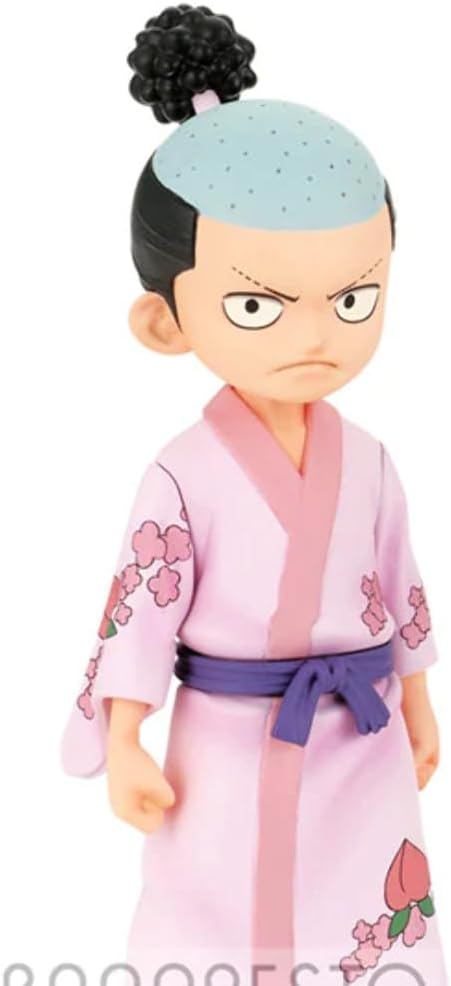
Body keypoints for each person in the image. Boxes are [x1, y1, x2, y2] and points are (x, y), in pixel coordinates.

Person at [62, 6, 448, 983]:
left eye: (353, 299)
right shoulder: (182, 472)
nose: (315, 334)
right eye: (256, 305)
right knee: (217, 898)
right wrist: (125, 735)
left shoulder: (370, 460)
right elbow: (140, 606)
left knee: (367, 898)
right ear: (164, 322)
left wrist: (416, 697)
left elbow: (399, 580)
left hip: (360, 734)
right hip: (227, 744)